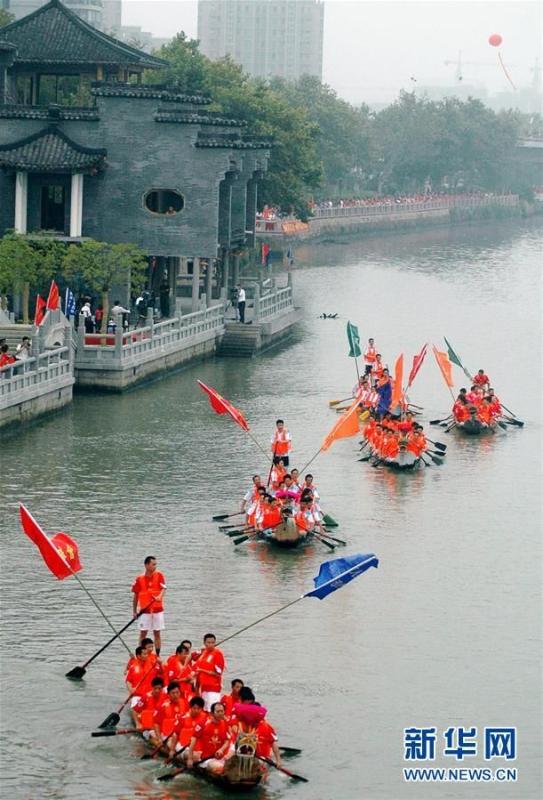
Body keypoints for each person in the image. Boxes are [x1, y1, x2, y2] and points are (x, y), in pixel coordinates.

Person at [131, 556, 167, 655]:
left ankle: (158, 654)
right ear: (146, 565)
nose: (155, 566)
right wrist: (134, 611)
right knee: (143, 633)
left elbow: (164, 588)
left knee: (157, 633)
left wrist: (160, 596)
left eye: (156, 564)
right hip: (144, 611)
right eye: (153, 564)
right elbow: (136, 596)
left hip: (157, 610)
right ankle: (140, 653)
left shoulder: (159, 575)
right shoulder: (139, 579)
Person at [186, 701, 232, 773]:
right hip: (207, 758)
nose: (221, 713)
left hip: (221, 757)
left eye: (222, 711)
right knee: (217, 767)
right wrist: (190, 759)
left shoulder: (225, 723)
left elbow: (227, 741)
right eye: (218, 711)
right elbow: (193, 740)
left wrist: (221, 750)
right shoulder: (203, 724)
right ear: (212, 713)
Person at [153, 682, 189, 753]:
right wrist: (159, 739)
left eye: (177, 692)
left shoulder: (185, 703)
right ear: (168, 694)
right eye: (173, 693)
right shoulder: (163, 706)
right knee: (170, 743)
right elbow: (156, 724)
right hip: (168, 736)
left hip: (181, 735)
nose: (176, 695)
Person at [194, 633, 226, 711]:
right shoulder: (203, 653)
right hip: (203, 688)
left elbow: (218, 674)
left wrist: (202, 670)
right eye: (208, 642)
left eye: (212, 643)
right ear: (204, 643)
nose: (211, 645)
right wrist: (197, 689)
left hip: (213, 689)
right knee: (204, 710)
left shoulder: (217, 654)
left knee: (212, 711)